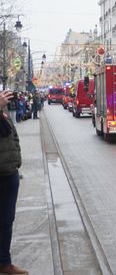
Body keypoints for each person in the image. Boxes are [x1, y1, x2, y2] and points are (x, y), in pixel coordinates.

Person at [0, 90, 27, 275]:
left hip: (9, 174)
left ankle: (4, 263)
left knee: (6, 221)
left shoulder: (4, 113)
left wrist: (16, 162)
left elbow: (12, 136)